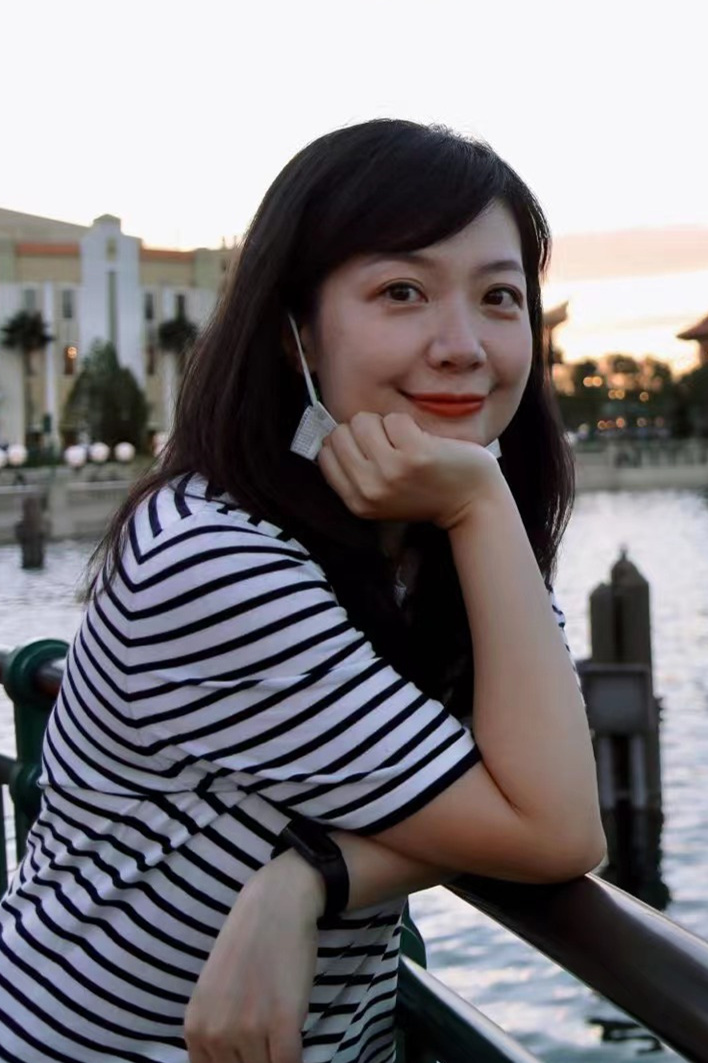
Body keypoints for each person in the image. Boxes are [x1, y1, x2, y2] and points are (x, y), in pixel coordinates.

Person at [0, 119, 605, 1063]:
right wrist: (483, 500)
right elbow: (557, 827)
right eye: (401, 291)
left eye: (499, 296)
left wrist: (317, 870)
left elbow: (535, 787)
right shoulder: (209, 558)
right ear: (296, 333)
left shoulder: (434, 536)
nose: (462, 345)